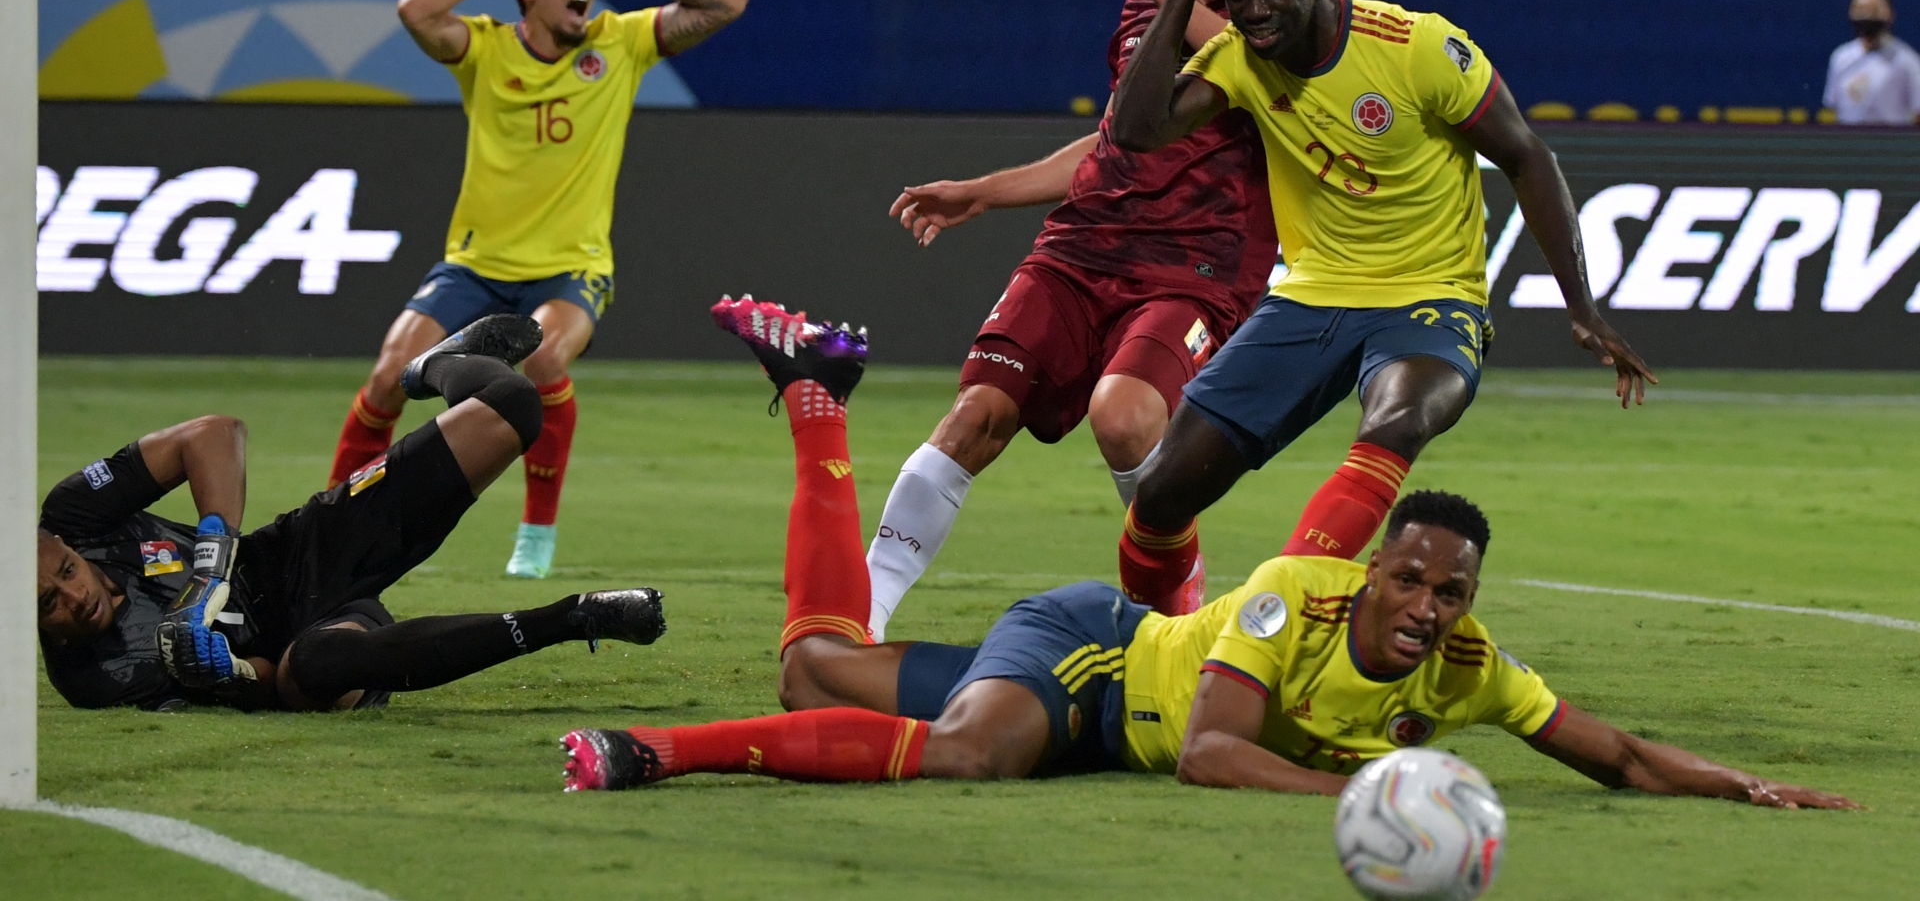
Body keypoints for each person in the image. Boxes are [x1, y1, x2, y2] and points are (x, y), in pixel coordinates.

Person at [557, 296, 1853, 814]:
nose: (1421, 606)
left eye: (1447, 593)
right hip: (1089, 663)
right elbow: (1214, 750)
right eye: (1407, 577)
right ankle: (649, 753)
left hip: (1107, 697)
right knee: (968, 755)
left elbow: (1610, 751)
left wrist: (1740, 786)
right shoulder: (1298, 599)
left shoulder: (1462, 670)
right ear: (1378, 566)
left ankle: (816, 402)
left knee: (815, 670)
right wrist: (1366, 798)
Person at [1098, 0, 1657, 614]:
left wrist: (1581, 308)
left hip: (1430, 297)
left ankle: (1281, 622)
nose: (1257, 10)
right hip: (1311, 295)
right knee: (1162, 495)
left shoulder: (1417, 46)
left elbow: (1527, 155)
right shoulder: (1236, 57)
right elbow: (1136, 132)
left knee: (1396, 420)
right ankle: (1155, 647)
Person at [864, 0, 1278, 639]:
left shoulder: (1289, 11)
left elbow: (1261, 76)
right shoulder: (1143, 10)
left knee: (1122, 417)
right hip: (1085, 246)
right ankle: (861, 619)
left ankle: (1172, 604)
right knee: (974, 415)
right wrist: (984, 192)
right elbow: (1117, 136)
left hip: (1194, 266)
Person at [324, 0, 750, 579]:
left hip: (570, 268)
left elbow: (728, 2)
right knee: (389, 375)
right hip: (473, 266)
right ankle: (333, 523)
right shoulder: (485, 49)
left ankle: (536, 534)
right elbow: (415, 12)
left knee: (544, 354)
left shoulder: (621, 41)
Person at [39, 316, 666, 712]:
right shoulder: (96, 676)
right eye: (46, 605)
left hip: (291, 554)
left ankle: (431, 367)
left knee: (513, 405)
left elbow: (213, 435)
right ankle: (575, 616)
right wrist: (228, 675)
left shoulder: (75, 514)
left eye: (66, 572)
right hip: (300, 657)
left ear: (65, 547)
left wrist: (211, 566)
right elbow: (271, 686)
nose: (73, 596)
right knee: (317, 665)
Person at [1821, 0, 1920, 126]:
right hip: (1849, 142)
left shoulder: (1906, 60)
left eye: (1873, 10)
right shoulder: (1841, 57)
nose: (1866, 16)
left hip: (1891, 143)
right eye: (1860, 10)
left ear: (1890, 14)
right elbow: (1834, 106)